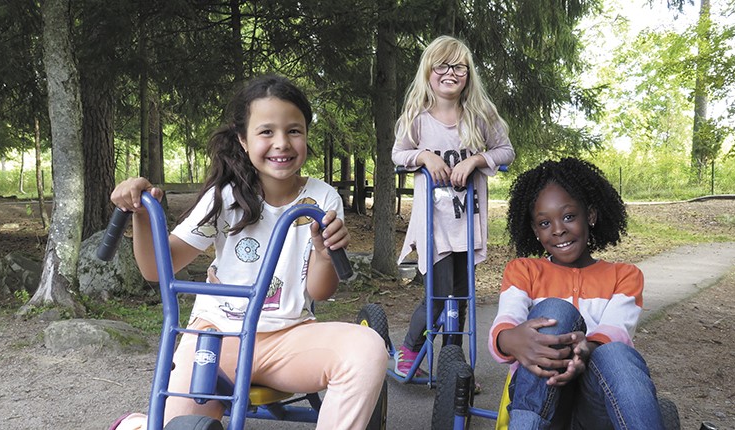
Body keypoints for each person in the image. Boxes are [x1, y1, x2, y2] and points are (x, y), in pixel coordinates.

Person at [108, 75, 387, 430]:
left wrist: (322, 253)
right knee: (176, 424)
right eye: (266, 132)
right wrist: (142, 215)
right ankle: (138, 424)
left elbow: (320, 291)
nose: (281, 143)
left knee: (367, 347)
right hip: (216, 339)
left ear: (306, 135)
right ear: (243, 139)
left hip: (288, 336)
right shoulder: (225, 198)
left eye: (294, 131)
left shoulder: (322, 198)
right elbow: (156, 269)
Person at [488, 157, 664, 429]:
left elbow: (616, 330)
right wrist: (509, 339)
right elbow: (507, 319)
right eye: (545, 223)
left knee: (616, 353)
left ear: (590, 216)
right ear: (535, 230)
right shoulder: (524, 271)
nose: (558, 230)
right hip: (538, 400)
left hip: (596, 406)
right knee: (556, 312)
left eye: (568, 217)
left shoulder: (624, 276)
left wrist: (585, 349)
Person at [392, 35, 515, 378]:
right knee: (440, 294)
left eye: (459, 67)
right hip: (434, 225)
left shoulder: (480, 115)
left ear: (468, 73)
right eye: (442, 66)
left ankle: (452, 366)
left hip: (466, 222)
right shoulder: (417, 118)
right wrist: (424, 156)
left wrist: (477, 159)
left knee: (461, 298)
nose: (450, 73)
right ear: (428, 72)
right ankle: (410, 349)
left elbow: (506, 150)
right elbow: (398, 153)